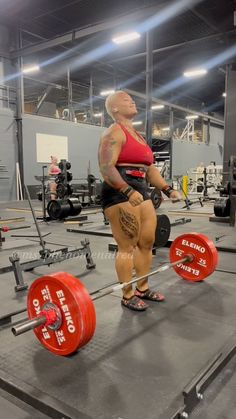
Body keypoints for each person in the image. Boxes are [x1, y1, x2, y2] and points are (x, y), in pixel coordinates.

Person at [98, 91, 181, 311]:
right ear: (114, 108)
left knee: (147, 242)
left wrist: (167, 189)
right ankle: (127, 294)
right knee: (127, 245)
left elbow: (150, 168)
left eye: (132, 99)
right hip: (119, 190)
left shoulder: (139, 136)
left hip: (141, 188)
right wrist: (126, 190)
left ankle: (142, 288)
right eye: (126, 100)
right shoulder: (114, 131)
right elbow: (106, 167)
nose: (132, 101)